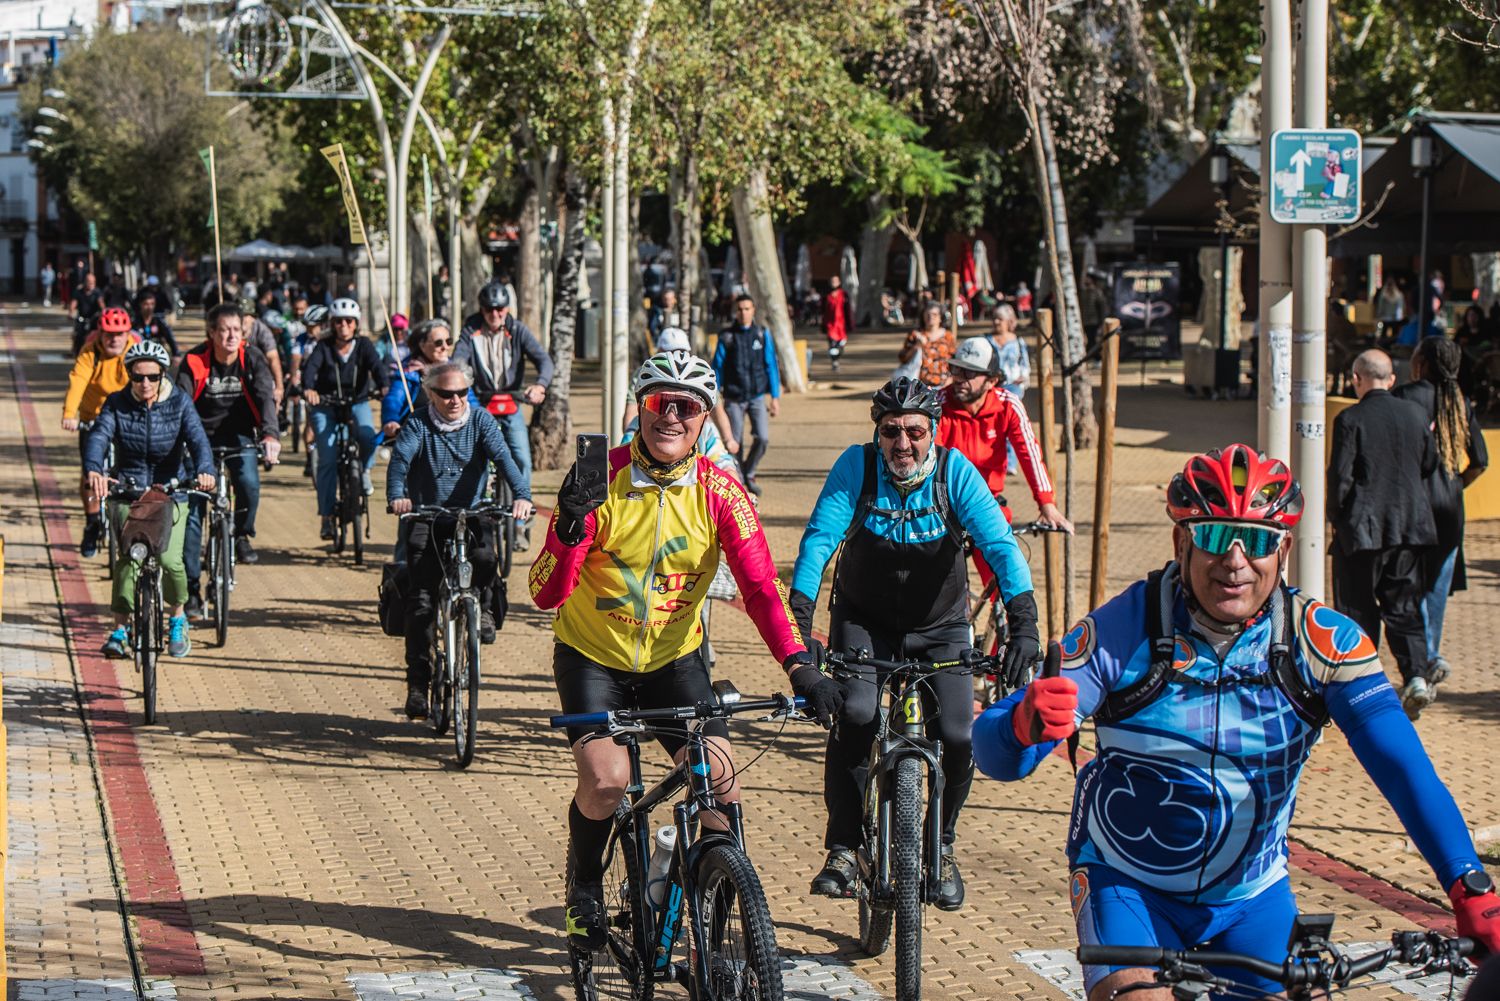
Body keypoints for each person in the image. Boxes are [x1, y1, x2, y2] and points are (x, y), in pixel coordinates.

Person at [972, 443, 1500, 1001]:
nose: (1236, 561)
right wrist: (1022, 725)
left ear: (1284, 549)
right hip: (1128, 885)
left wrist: (1468, 885)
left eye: (1259, 541)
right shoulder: (1124, 630)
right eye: (1217, 536)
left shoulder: (1323, 645)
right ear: (1181, 542)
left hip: (1252, 899)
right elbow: (995, 756)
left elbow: (1403, 769)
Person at [529, 349, 818, 950]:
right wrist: (569, 530)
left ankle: (712, 905)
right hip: (592, 658)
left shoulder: (721, 492)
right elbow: (544, 592)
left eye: (687, 407)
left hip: (674, 662)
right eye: (661, 403)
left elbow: (762, 590)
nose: (672, 417)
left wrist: (800, 666)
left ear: (705, 417)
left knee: (721, 783)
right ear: (640, 407)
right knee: (608, 780)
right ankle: (585, 884)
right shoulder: (600, 479)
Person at [790, 376, 1040, 910]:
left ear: (934, 432)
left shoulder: (955, 474)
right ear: (877, 433)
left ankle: (941, 845)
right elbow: (818, 543)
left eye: (915, 432)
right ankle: (842, 848)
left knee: (958, 733)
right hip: (864, 623)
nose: (902, 443)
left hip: (941, 628)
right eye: (891, 431)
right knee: (856, 714)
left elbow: (1000, 546)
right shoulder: (857, 468)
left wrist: (1025, 626)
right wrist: (800, 628)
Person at [387, 361, 534, 716]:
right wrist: (397, 495)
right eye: (445, 394)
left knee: (486, 559)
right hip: (426, 515)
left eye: (461, 393)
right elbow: (400, 461)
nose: (454, 400)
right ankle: (418, 685)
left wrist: (522, 495)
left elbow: (504, 458)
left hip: (471, 513)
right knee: (421, 603)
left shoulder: (481, 420)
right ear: (430, 393)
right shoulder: (417, 423)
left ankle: (484, 609)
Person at [84, 341, 215, 660]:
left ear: (163, 375)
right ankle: (120, 630)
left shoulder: (179, 403)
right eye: (138, 377)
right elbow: (99, 436)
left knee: (170, 561)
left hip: (171, 492)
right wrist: (94, 469)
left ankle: (178, 618)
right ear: (129, 376)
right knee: (128, 560)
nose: (145, 383)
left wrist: (205, 470)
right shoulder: (116, 404)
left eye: (153, 377)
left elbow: (198, 440)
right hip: (128, 491)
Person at [1328, 349, 1438, 717]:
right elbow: (1429, 463)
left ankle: (1363, 683)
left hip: (1362, 530)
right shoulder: (1416, 414)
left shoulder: (1350, 419)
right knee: (1404, 605)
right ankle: (1416, 676)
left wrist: (1335, 516)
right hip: (1410, 527)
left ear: (1356, 379)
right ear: (1391, 379)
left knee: (1357, 609)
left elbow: (1340, 477)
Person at [1394, 337, 1488, 691]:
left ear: (1421, 363)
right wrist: (1455, 485)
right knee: (1435, 587)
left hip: (1413, 506)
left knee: (1410, 584)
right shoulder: (1458, 401)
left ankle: (1424, 659)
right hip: (1450, 508)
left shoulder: (1404, 397)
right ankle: (1430, 653)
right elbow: (1480, 461)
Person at [176, 303, 282, 616]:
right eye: (224, 330)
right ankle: (191, 590)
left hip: (239, 436)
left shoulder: (253, 358)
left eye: (237, 330)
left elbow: (265, 397)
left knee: (249, 482)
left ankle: (242, 534)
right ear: (211, 333)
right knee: (193, 513)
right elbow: (181, 404)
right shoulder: (194, 361)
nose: (232, 336)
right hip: (199, 440)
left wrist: (270, 435)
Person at [940, 336, 1072, 542]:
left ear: (991, 381)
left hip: (986, 504)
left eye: (969, 372)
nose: (959, 379)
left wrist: (1046, 504)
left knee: (1001, 557)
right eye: (956, 369)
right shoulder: (936, 404)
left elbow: (1030, 454)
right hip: (944, 505)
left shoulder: (1008, 405)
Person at [453, 281, 552, 538]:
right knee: (474, 460)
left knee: (522, 459)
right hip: (481, 404)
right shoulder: (470, 330)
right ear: (481, 309)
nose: (495, 314)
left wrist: (540, 385)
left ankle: (520, 523)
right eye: (489, 309)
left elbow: (543, 360)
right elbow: (458, 360)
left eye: (500, 309)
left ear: (507, 309)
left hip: (511, 403)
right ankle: (476, 515)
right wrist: (457, 382)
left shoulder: (517, 330)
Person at [300, 297, 391, 540]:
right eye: (339, 321)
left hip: (357, 403)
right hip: (326, 406)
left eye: (349, 321)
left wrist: (384, 385)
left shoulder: (364, 345)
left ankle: (365, 471)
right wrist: (309, 389)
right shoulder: (323, 346)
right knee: (327, 457)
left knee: (368, 437)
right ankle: (327, 516)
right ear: (332, 323)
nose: (344, 326)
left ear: (356, 323)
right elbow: (310, 371)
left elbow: (377, 367)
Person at [62, 317, 140, 557]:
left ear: (128, 333)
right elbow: (78, 381)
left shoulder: (135, 352)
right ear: (100, 334)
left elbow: (146, 382)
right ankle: (92, 522)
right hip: (93, 419)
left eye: (119, 333)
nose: (114, 339)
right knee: (90, 474)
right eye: (109, 334)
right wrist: (69, 413)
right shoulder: (90, 353)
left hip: (126, 419)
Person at [619, 327, 739, 466]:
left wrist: (729, 439)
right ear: (659, 350)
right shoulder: (646, 373)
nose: (671, 417)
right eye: (658, 403)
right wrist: (631, 440)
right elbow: (631, 411)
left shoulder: (698, 375)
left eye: (687, 407)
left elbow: (718, 411)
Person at [712, 293, 781, 495]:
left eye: (747, 309)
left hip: (757, 396)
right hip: (733, 397)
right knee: (734, 442)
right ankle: (739, 481)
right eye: (740, 309)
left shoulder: (762, 334)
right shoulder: (727, 337)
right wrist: (714, 396)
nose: (743, 313)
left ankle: (749, 471)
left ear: (753, 310)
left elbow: (771, 365)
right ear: (736, 311)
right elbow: (717, 368)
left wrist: (775, 397)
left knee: (763, 438)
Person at [380, 319, 473, 437]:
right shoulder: (408, 371)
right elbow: (394, 399)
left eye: (448, 341)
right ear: (422, 345)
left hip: (455, 434)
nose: (445, 347)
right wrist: (391, 420)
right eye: (438, 343)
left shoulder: (456, 370)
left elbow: (471, 399)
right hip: (416, 435)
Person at [898, 300, 957, 388]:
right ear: (923, 316)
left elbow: (955, 361)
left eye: (934, 314)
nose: (930, 317)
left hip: (943, 385)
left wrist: (950, 380)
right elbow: (903, 358)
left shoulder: (948, 336)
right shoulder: (915, 335)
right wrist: (917, 345)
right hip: (918, 387)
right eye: (927, 314)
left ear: (940, 317)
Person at [69, 271, 105, 355]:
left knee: (98, 333)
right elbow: (73, 303)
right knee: (77, 334)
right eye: (89, 282)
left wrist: (103, 312)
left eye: (93, 282)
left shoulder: (97, 292)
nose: (91, 284)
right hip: (81, 317)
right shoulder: (79, 292)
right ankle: (75, 349)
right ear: (85, 282)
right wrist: (70, 312)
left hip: (94, 318)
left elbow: (101, 303)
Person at [134, 290, 178, 358]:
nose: (149, 307)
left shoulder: (159, 322)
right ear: (140, 304)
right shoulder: (134, 323)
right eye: (146, 304)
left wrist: (176, 354)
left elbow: (170, 338)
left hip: (157, 355)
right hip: (138, 356)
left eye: (152, 304)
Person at [821, 275, 849, 372]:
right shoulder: (827, 295)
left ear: (839, 282)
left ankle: (837, 358)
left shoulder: (844, 294)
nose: (834, 283)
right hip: (831, 325)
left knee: (841, 345)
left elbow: (848, 310)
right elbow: (823, 310)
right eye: (832, 281)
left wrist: (850, 324)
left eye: (836, 281)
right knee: (833, 345)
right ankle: (835, 362)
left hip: (841, 325)